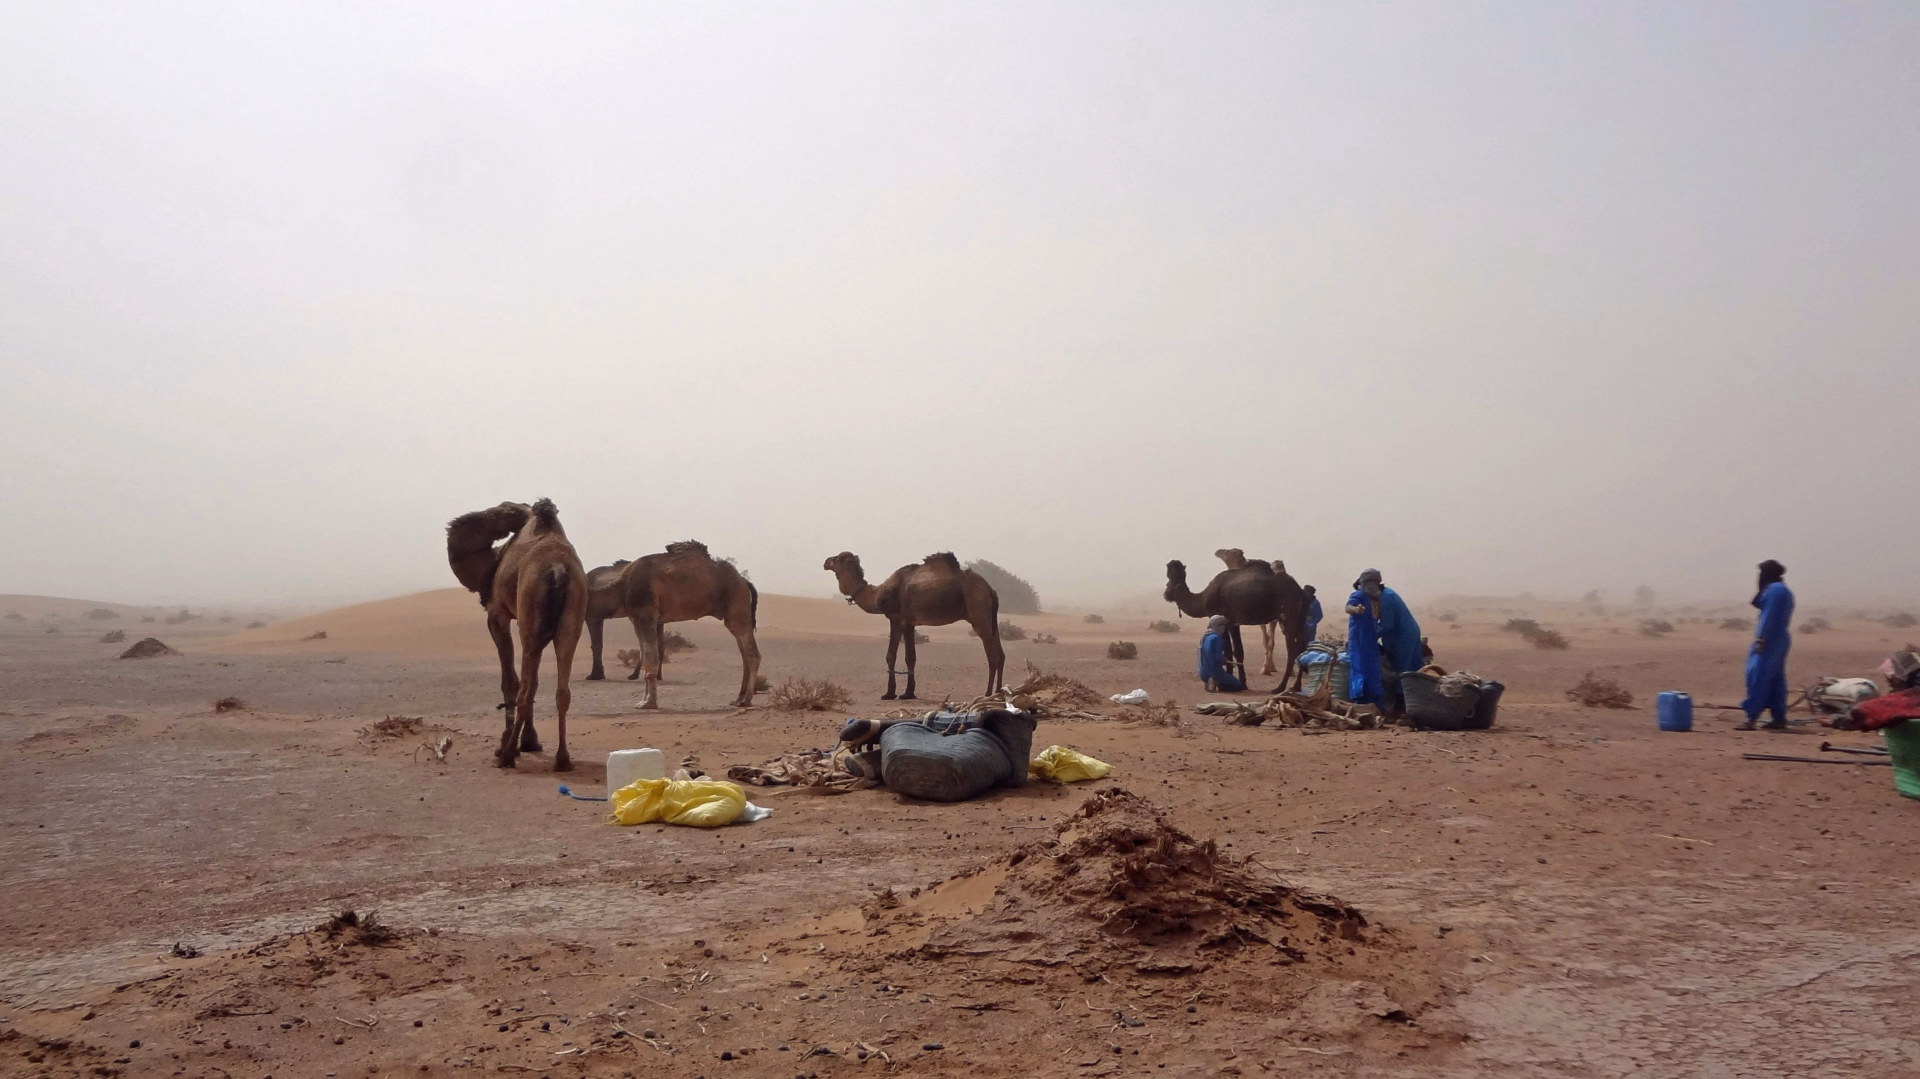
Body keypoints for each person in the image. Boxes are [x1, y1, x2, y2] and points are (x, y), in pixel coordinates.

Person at [1737, 560, 1795, 730]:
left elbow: (1768, 616)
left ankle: (1751, 718)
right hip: (1780, 639)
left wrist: (1761, 638)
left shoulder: (1775, 590)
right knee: (1776, 679)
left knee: (1758, 676)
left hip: (1769, 639)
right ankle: (1779, 718)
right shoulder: (1783, 589)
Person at [1374, 573, 1424, 716]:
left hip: (1404, 635)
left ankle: (1401, 706)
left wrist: (1368, 636)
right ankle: (1415, 703)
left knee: (1403, 668)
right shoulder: (1386, 595)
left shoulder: (1386, 598)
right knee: (1411, 665)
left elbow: (1386, 625)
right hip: (1403, 633)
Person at [1344, 572, 1384, 706]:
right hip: (1358, 640)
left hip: (1371, 641)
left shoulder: (1375, 599)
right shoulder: (1358, 595)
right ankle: (1359, 701)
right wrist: (1356, 609)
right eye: (1370, 582)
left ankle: (1375, 702)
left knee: (1373, 670)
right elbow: (1348, 607)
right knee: (1359, 668)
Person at [1198, 614, 1246, 693]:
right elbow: (1218, 657)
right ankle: (1215, 681)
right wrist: (1225, 660)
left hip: (1202, 672)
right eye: (1223, 626)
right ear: (1219, 626)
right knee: (1237, 685)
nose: (1224, 628)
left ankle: (1208, 680)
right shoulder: (1217, 638)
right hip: (1214, 671)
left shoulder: (1205, 636)